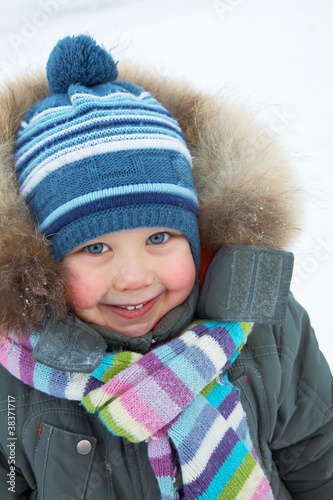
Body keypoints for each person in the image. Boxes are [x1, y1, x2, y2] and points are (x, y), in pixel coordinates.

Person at [0, 34, 331, 500]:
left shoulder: (267, 329)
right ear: (46, 267)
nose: (134, 278)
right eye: (95, 249)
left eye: (159, 238)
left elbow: (316, 454)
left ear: (195, 237)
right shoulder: (17, 380)